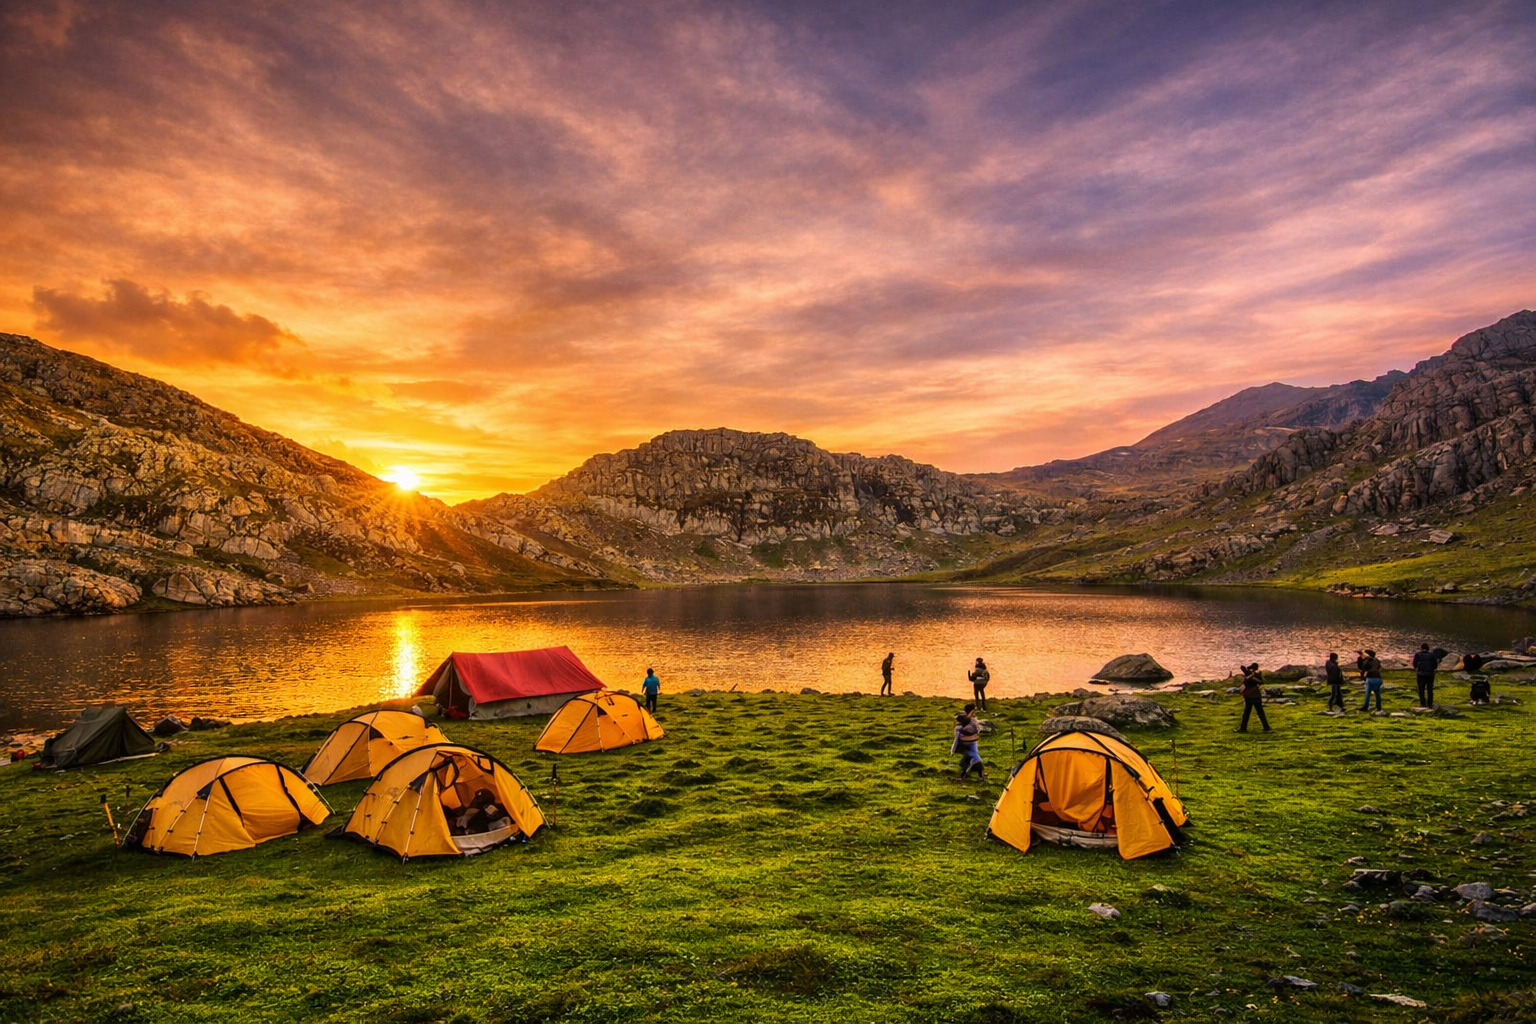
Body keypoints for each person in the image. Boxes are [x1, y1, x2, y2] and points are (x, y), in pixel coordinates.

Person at [951, 704, 986, 780]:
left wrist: (953, 749)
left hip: (967, 743)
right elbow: (977, 729)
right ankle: (978, 776)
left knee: (972, 758)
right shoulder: (972, 721)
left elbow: (957, 739)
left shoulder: (963, 723)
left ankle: (968, 775)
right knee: (972, 758)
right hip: (972, 742)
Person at [1237, 663, 1271, 732]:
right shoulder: (1256, 675)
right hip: (1255, 695)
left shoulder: (1252, 675)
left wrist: (1251, 676)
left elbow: (1246, 682)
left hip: (1250, 695)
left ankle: (1243, 728)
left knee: (1248, 713)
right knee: (1260, 712)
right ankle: (1266, 727)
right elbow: (1261, 682)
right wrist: (1252, 676)